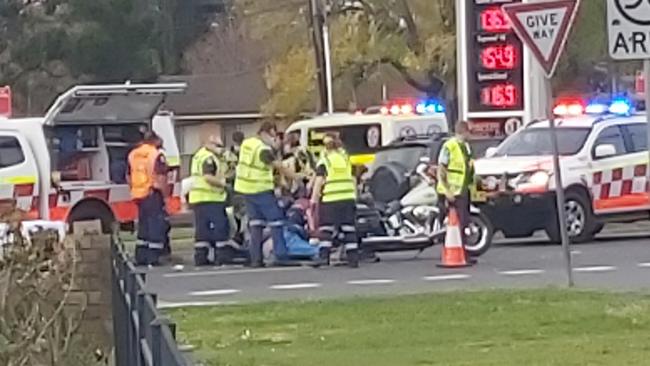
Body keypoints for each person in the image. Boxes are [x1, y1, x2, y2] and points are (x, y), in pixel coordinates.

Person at [234, 122, 300, 267]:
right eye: (274, 135)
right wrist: (296, 177)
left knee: (256, 224)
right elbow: (279, 166)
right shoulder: (262, 149)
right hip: (261, 190)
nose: (274, 139)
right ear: (268, 132)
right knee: (276, 221)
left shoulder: (247, 143)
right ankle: (281, 255)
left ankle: (256, 259)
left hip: (247, 190)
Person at [311, 133, 359, 268]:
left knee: (326, 229)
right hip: (348, 198)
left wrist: (313, 200)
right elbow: (353, 179)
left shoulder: (325, 160)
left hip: (331, 199)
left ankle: (323, 257)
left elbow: (319, 180)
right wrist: (354, 196)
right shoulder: (345, 158)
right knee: (349, 228)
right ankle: (353, 259)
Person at [189, 135, 233, 266]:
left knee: (202, 230)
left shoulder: (199, 155)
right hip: (211, 198)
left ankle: (201, 258)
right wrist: (224, 185)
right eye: (218, 146)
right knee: (220, 227)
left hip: (198, 198)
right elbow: (208, 177)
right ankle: (222, 257)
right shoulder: (209, 158)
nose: (220, 149)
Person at [128, 131, 169, 266]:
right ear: (155, 141)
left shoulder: (133, 154)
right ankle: (153, 257)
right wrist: (165, 196)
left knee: (143, 226)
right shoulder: (156, 154)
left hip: (138, 194)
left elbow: (128, 175)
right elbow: (161, 176)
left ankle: (141, 257)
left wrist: (134, 189)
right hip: (152, 192)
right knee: (155, 225)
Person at [436, 121, 475, 248]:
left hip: (463, 190)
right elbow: (441, 169)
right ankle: (453, 250)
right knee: (453, 223)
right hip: (451, 192)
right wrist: (447, 191)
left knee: (463, 222)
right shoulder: (449, 146)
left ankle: (463, 252)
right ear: (464, 131)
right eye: (470, 131)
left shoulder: (466, 146)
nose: (471, 135)